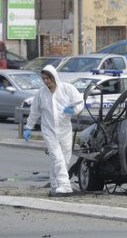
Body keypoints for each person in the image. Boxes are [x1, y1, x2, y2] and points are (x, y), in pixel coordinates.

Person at [24, 65, 84, 196]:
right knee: (57, 158)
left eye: (48, 78)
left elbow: (80, 102)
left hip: (65, 129)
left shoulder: (67, 89)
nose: (46, 81)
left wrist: (74, 110)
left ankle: (54, 184)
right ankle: (65, 185)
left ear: (54, 77)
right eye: (44, 78)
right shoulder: (41, 93)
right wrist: (29, 127)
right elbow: (34, 112)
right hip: (49, 130)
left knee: (65, 158)